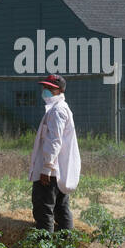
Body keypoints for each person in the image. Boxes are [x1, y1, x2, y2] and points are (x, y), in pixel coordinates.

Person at [29, 74, 81, 231]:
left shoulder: (57, 111)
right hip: (57, 170)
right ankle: (66, 245)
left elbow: (54, 141)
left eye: (50, 88)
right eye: (44, 87)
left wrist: (46, 167)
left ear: (60, 90)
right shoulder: (57, 109)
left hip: (51, 172)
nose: (45, 90)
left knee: (43, 209)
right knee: (60, 208)